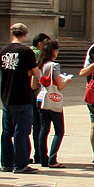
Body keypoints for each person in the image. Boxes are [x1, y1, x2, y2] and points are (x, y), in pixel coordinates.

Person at [0, 23, 40, 174]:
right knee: (21, 132)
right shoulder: (26, 51)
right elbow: (36, 72)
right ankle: (21, 164)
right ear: (26, 33)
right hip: (22, 95)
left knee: (7, 132)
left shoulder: (3, 50)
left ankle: (6, 162)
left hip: (6, 95)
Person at [34, 40, 70, 168]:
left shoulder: (39, 65)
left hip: (41, 98)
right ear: (54, 51)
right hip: (52, 99)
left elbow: (34, 85)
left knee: (43, 130)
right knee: (59, 130)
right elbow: (60, 85)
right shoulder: (54, 65)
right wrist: (67, 80)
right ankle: (52, 159)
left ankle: (43, 158)